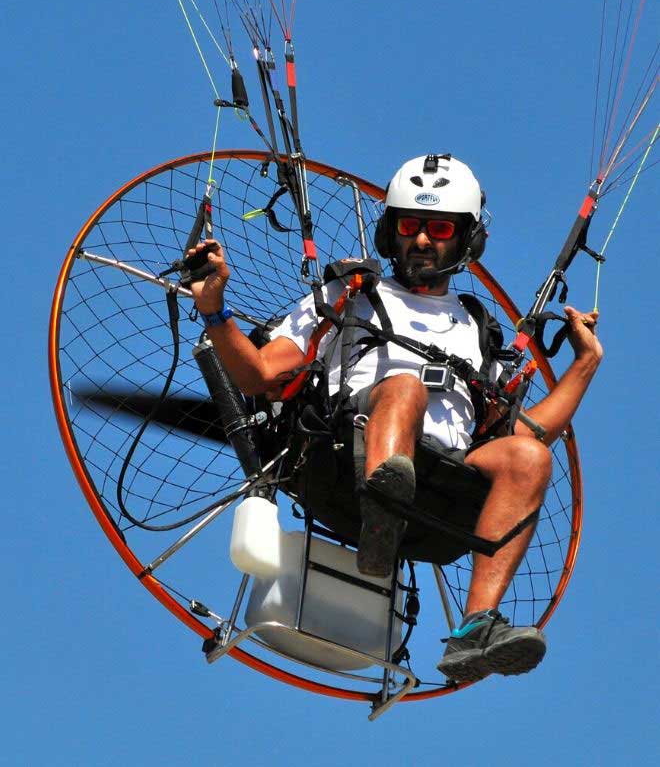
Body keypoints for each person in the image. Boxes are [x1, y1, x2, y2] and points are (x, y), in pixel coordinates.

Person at [188, 154, 602, 682]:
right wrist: (215, 310)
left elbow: (524, 432)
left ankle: (475, 629)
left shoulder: (477, 327)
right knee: (405, 388)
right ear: (391, 233)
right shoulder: (350, 294)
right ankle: (382, 507)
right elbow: (259, 376)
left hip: (444, 487)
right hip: (345, 462)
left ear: (466, 240)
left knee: (529, 456)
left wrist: (585, 366)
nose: (423, 241)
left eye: (439, 229)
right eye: (410, 226)